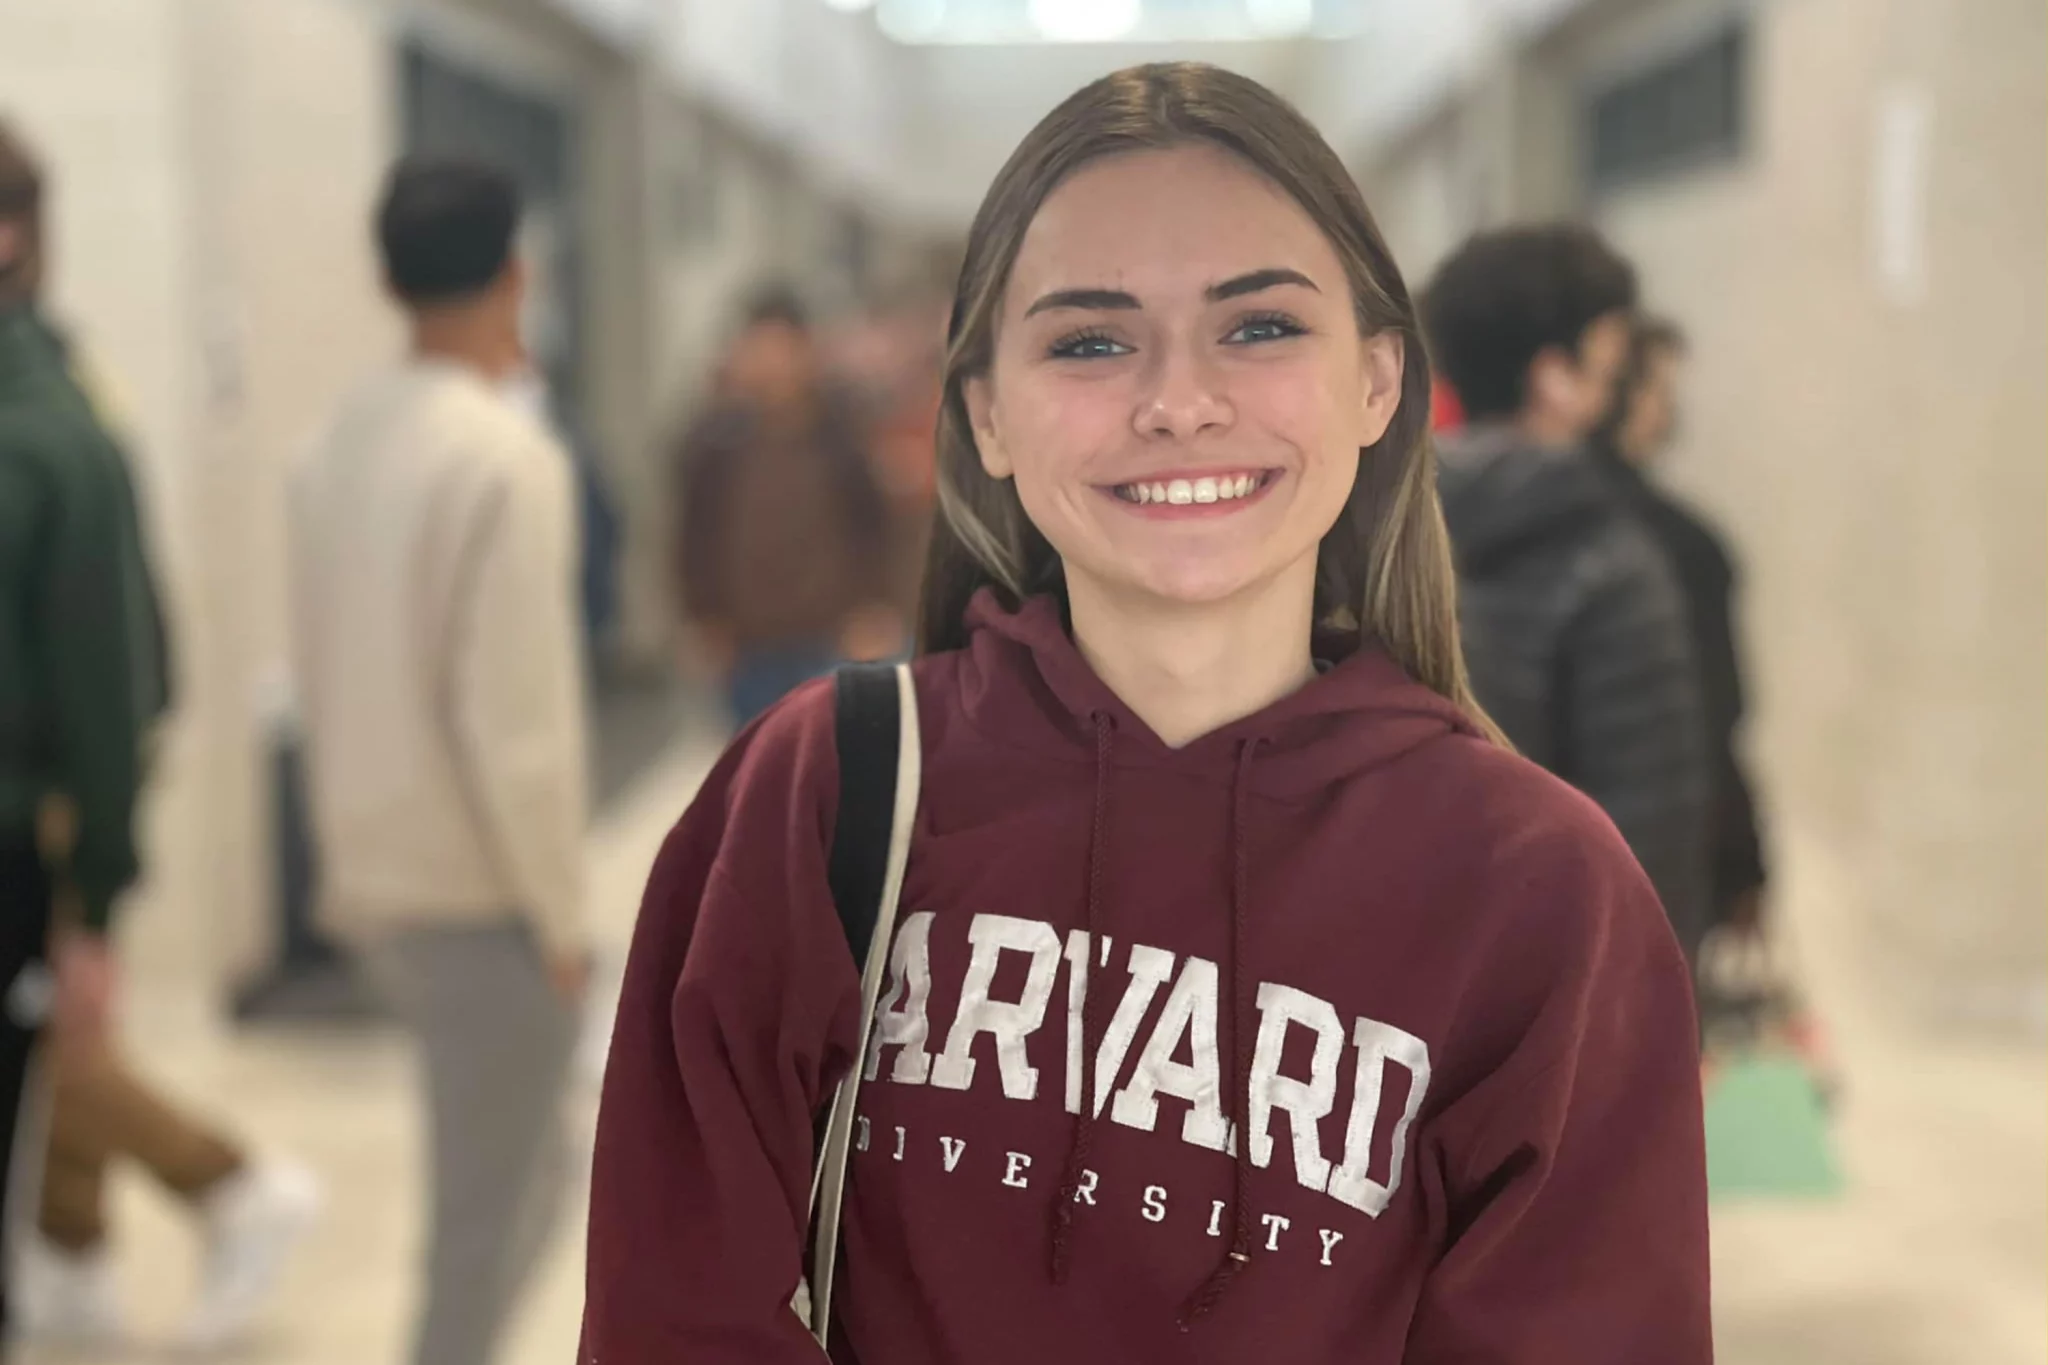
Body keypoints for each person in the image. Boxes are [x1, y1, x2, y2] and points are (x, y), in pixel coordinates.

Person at [583, 63, 1709, 1363]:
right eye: (1090, 341)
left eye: (1260, 326)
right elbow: (671, 1318)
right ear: (987, 413)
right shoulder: (824, 791)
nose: (1178, 402)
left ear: (1377, 381)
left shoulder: (1539, 888)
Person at [0, 120, 318, 1355]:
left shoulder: (53, 427)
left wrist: (99, 878)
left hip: (38, 817)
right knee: (57, 1053)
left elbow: (112, 664)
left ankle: (230, 1187)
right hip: (51, 811)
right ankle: (78, 1249)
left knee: (61, 1046)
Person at [289, 157, 590, 1365]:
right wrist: (559, 918)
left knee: (520, 1177)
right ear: (517, 274)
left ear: (385, 280)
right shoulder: (503, 459)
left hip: (375, 869)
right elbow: (516, 728)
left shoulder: (331, 445)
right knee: (486, 1218)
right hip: (478, 889)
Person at [1422, 225, 1711, 957]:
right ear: (1555, 377)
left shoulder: (1378, 539)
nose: (1617, 388)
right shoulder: (1610, 563)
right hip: (1566, 971)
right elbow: (1648, 834)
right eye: (1608, 364)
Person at [1592, 317, 1768, 937]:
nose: (1669, 410)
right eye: (1658, 389)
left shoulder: (1461, 521)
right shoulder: (1679, 546)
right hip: (1656, 876)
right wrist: (1746, 868)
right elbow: (1716, 717)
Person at [672, 286, 902, 725]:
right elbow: (693, 537)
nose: (773, 363)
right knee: (758, 754)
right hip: (747, 648)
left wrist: (874, 607)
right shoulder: (716, 445)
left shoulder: (842, 438)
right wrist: (702, 618)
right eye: (761, 348)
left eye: (783, 348)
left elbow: (874, 527)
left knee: (829, 754)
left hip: (830, 640)